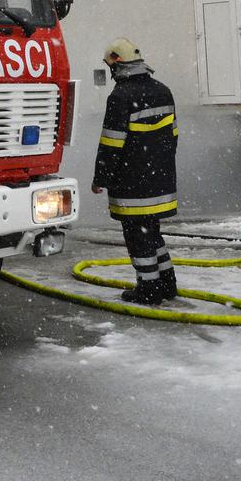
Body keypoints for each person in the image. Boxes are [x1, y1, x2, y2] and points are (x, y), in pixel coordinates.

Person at [91, 38, 180, 304]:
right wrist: (160, 167)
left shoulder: (120, 96)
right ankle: (167, 283)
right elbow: (172, 136)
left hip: (132, 182)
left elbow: (111, 143)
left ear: (117, 65)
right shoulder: (163, 90)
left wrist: (101, 178)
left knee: (137, 236)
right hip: (161, 179)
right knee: (151, 231)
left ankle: (149, 289)